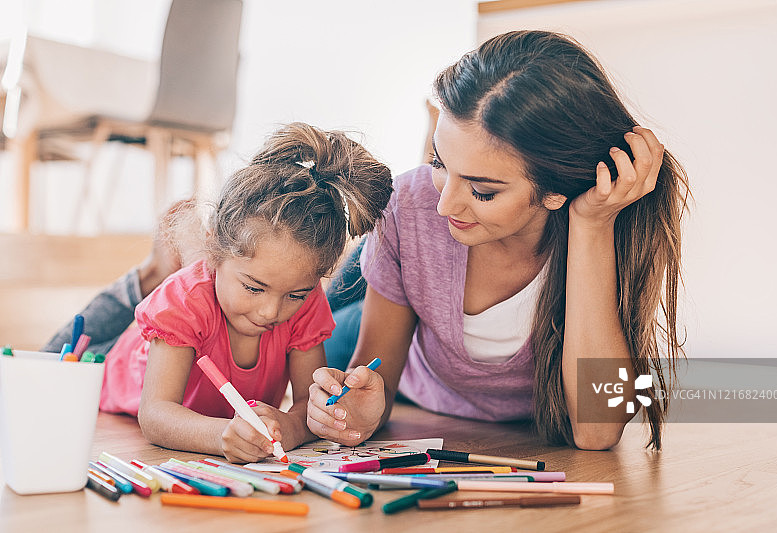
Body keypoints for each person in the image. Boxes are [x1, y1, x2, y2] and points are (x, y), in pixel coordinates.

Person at [307, 30, 689, 451]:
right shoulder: (417, 203)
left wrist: (591, 226)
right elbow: (369, 385)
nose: (445, 205)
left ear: (555, 192)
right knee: (313, 313)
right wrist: (359, 408)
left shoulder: (611, 223)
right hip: (404, 346)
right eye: (439, 161)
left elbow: (597, 432)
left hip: (432, 298)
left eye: (482, 191)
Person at [43, 122, 393, 463]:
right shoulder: (183, 301)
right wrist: (221, 435)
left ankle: (169, 269)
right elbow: (155, 414)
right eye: (254, 287)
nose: (272, 311)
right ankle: (153, 273)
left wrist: (291, 425)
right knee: (47, 363)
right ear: (214, 250)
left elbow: (308, 403)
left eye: (296, 295)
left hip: (194, 303)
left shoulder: (306, 303)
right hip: (108, 362)